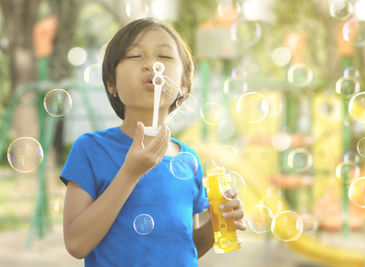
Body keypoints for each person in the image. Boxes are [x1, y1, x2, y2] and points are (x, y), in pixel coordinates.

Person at [60, 17, 246, 267]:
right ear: (111, 84)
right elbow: (76, 244)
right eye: (135, 56)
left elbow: (185, 245)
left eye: (165, 57)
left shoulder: (187, 160)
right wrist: (130, 173)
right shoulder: (91, 149)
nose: (152, 65)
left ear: (182, 85)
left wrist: (216, 224)